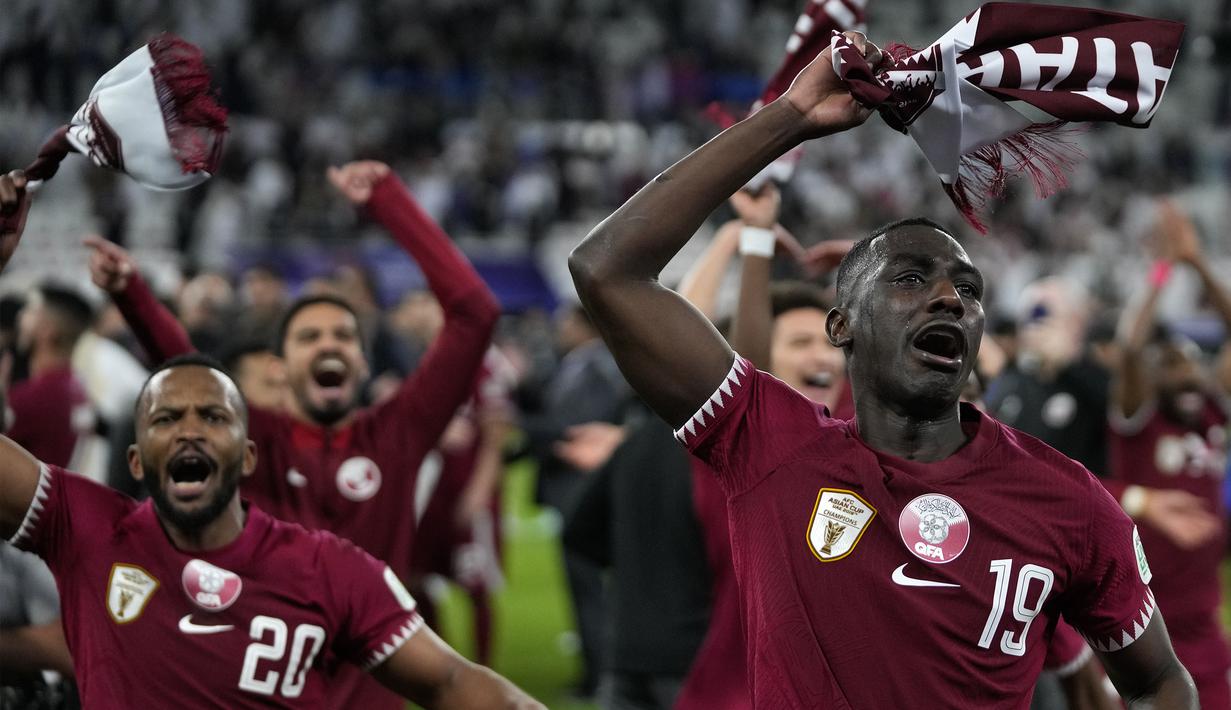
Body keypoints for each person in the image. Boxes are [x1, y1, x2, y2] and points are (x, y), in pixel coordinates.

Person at [567, 31, 1196, 709]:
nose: (949, 298)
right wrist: (791, 117)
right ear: (843, 327)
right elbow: (608, 270)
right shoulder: (771, 444)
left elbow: (1159, 682)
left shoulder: (1068, 501)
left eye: (968, 288)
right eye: (908, 277)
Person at [84, 160, 501, 709]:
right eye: (309, 336)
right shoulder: (255, 436)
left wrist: (388, 204)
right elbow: (183, 363)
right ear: (281, 366)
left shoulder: (398, 432)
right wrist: (133, 294)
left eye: (343, 335)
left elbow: (474, 312)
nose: (328, 344)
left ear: (362, 359)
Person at [1106, 201, 1230, 709]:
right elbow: (1131, 348)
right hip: (1140, 628)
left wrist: (1197, 264)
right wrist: (1162, 272)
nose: (1186, 376)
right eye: (1172, 367)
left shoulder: (1211, 417)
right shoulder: (1139, 418)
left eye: (1191, 367)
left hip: (1204, 627)